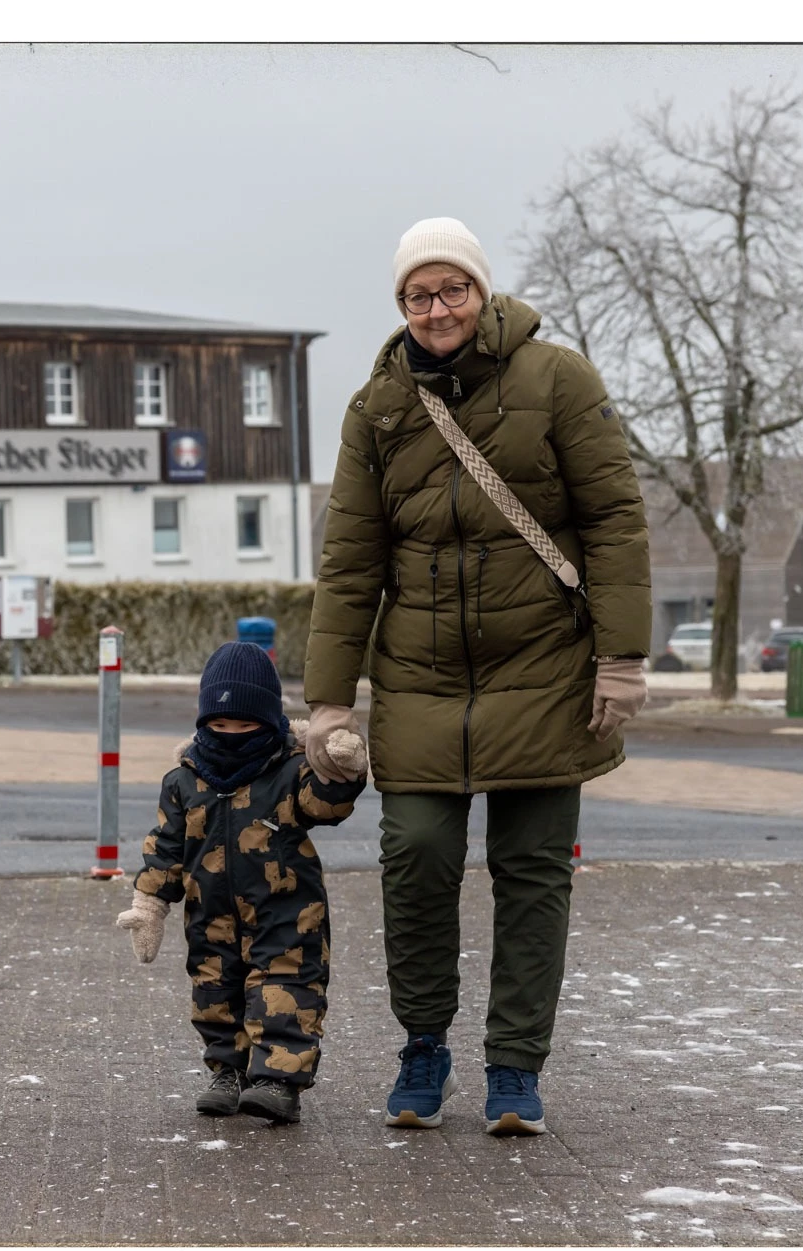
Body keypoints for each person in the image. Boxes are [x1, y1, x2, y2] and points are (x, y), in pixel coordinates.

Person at [303, 217, 650, 1135]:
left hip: (545, 667)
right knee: (415, 857)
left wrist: (620, 656)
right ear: (401, 305)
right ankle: (423, 1044)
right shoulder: (378, 407)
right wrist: (329, 703)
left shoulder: (558, 378)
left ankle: (515, 1066)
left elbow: (615, 520)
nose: (437, 308)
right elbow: (349, 563)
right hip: (420, 677)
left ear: (482, 291)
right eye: (417, 295)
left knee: (532, 872)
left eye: (451, 288)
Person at [117, 641, 368, 1125]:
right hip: (210, 915)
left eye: (245, 726)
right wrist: (149, 904)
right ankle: (227, 1072)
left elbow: (327, 806)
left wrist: (343, 768)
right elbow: (166, 847)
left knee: (286, 988)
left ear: (269, 721)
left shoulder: (290, 770)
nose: (232, 735)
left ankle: (278, 1080)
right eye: (220, 725)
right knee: (214, 992)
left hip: (287, 912)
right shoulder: (183, 781)